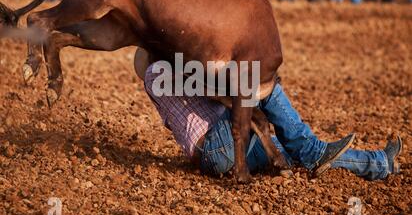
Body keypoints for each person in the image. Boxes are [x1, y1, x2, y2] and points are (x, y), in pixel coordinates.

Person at [134, 49, 403, 181]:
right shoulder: (160, 71)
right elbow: (218, 92)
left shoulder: (157, 81)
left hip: (218, 149)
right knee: (262, 87)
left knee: (293, 155)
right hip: (218, 145)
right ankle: (310, 148)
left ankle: (379, 163)